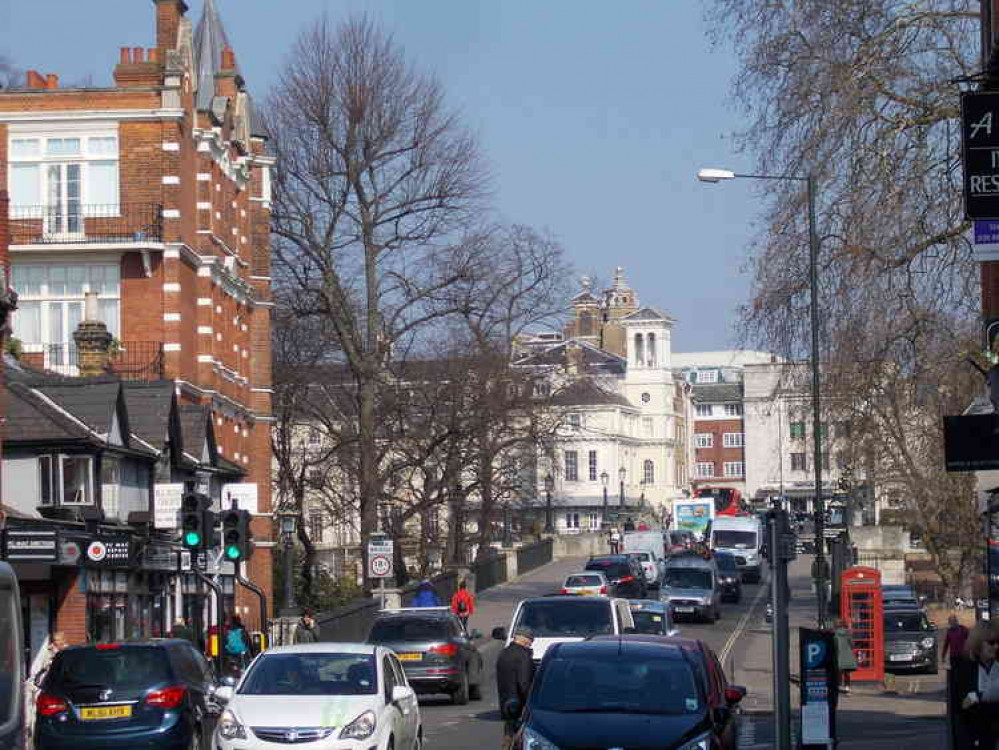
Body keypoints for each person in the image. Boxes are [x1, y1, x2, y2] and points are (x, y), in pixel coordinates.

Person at [955, 621, 999, 749]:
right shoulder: (965, 671)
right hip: (975, 740)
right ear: (978, 644)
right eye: (991, 643)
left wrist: (977, 697)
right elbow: (963, 705)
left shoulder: (997, 667)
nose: (996, 647)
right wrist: (982, 697)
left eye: (998, 642)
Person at [496, 627, 535, 750]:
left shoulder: (504, 653)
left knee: (508, 735)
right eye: (530, 641)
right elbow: (524, 683)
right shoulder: (523, 656)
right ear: (525, 640)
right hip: (519, 704)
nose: (530, 644)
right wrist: (530, 703)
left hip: (506, 702)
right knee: (521, 739)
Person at [25, 632, 67, 746]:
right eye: (54, 640)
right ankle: (31, 731)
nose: (56, 642)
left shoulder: (66, 652)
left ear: (63, 640)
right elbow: (40, 667)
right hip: (43, 685)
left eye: (58, 640)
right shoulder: (48, 651)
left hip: (57, 687)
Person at [833, 618, 858, 693]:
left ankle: (838, 685)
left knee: (839, 671)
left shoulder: (834, 634)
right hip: (848, 654)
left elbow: (833, 645)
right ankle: (847, 687)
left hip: (838, 654)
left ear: (835, 625)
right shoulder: (848, 633)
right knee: (847, 671)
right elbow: (852, 645)